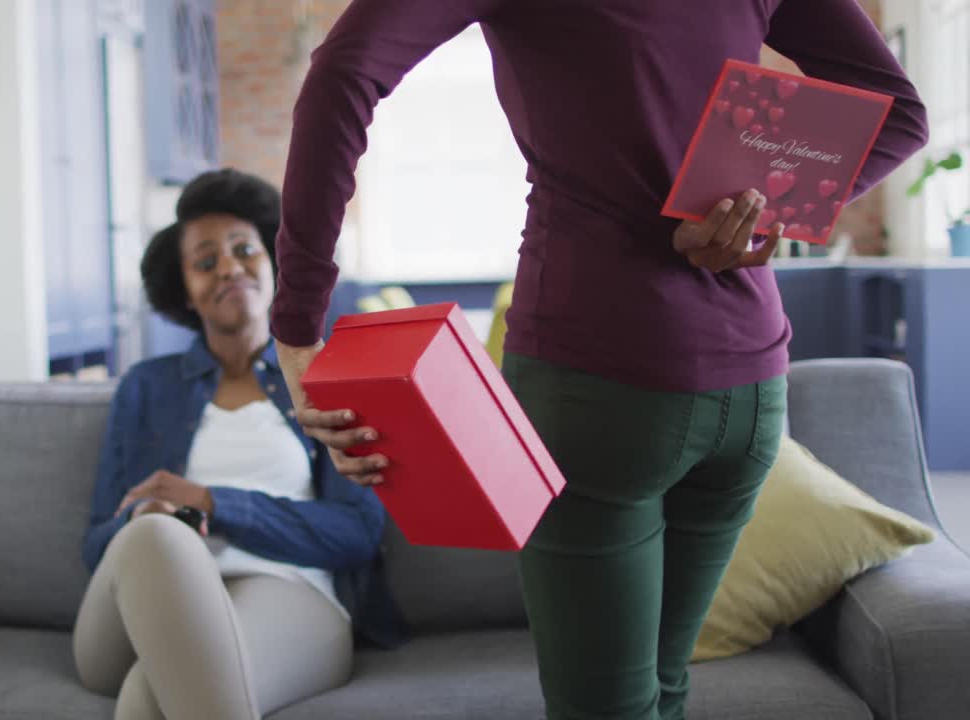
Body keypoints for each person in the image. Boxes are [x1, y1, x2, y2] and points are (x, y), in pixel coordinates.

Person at [270, 3, 928, 719]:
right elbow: (901, 114)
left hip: (599, 380)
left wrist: (298, 326)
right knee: (662, 689)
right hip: (751, 389)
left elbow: (341, 73)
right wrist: (757, 214)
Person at [73, 169, 401, 720]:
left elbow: (358, 533)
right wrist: (143, 519)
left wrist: (212, 502)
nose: (228, 267)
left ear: (273, 264)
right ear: (185, 292)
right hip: (144, 600)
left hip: (289, 589)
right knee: (152, 533)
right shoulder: (146, 388)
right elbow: (96, 545)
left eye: (244, 250)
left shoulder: (328, 385)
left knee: (145, 700)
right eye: (205, 262)